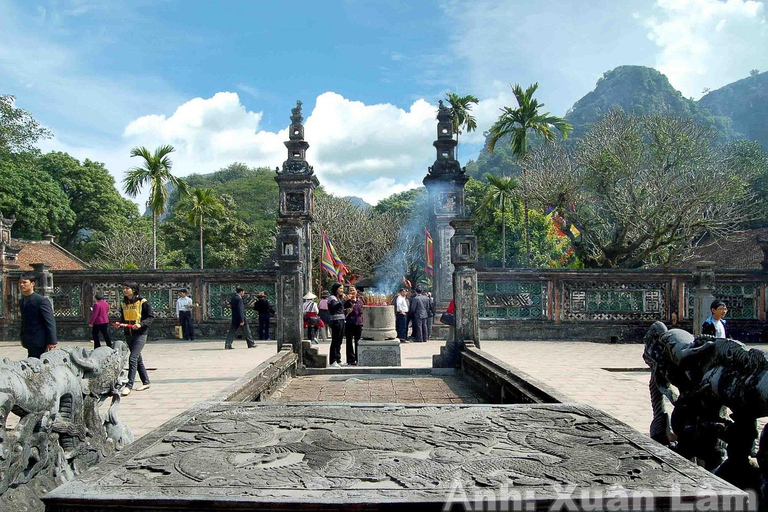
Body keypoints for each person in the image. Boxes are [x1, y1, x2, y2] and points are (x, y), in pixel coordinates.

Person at [117, 281, 153, 396]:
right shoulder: (123, 303)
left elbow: (150, 317)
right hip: (128, 333)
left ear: (134, 290)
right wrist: (120, 324)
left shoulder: (142, 302)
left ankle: (129, 385)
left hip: (141, 334)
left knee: (132, 358)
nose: (125, 290)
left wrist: (141, 324)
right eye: (124, 288)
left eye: (127, 288)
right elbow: (123, 318)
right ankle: (146, 382)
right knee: (138, 359)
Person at [18, 272, 57, 358]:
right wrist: (22, 336)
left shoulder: (41, 301)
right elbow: (24, 321)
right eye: (20, 282)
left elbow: (50, 321)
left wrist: (52, 341)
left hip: (40, 340)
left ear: (32, 284)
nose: (22, 285)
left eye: (24, 282)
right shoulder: (22, 301)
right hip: (29, 339)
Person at [327, 283, 346, 367]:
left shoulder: (339, 298)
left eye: (342, 289)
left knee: (339, 341)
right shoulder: (332, 298)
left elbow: (341, 309)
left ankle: (338, 359)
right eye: (340, 288)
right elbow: (335, 307)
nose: (342, 290)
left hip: (341, 320)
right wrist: (343, 300)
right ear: (336, 289)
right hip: (335, 321)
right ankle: (333, 360)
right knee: (335, 341)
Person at [344, 285, 363, 365]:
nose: (352, 292)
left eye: (353, 290)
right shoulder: (347, 301)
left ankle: (358, 358)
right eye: (350, 290)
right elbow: (343, 310)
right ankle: (351, 360)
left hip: (359, 322)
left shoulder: (360, 300)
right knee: (349, 341)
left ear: (356, 291)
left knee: (358, 341)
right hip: (349, 322)